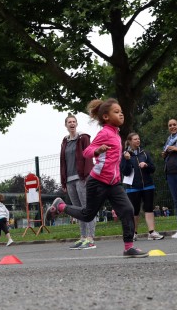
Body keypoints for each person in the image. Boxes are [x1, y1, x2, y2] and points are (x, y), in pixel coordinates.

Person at [45, 98, 148, 258]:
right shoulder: (105, 133)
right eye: (116, 112)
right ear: (106, 117)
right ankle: (60, 207)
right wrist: (98, 150)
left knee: (127, 210)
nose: (121, 114)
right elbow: (86, 152)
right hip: (98, 181)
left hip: (114, 183)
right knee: (88, 214)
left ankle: (128, 247)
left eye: (121, 111)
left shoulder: (116, 133)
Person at [59, 114, 96, 249]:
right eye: (69, 122)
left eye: (74, 121)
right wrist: (63, 181)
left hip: (82, 178)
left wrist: (88, 176)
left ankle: (90, 238)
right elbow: (62, 161)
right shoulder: (65, 141)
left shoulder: (83, 138)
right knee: (77, 210)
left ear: (77, 124)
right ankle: (82, 237)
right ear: (66, 125)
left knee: (87, 208)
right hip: (70, 180)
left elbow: (89, 157)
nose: (72, 124)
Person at [121, 132, 164, 240]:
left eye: (138, 139)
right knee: (134, 210)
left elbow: (153, 169)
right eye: (135, 139)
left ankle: (152, 232)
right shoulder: (125, 155)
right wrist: (126, 160)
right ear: (130, 141)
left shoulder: (144, 153)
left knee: (149, 208)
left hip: (148, 186)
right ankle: (134, 233)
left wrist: (146, 165)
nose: (138, 141)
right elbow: (125, 172)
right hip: (132, 188)